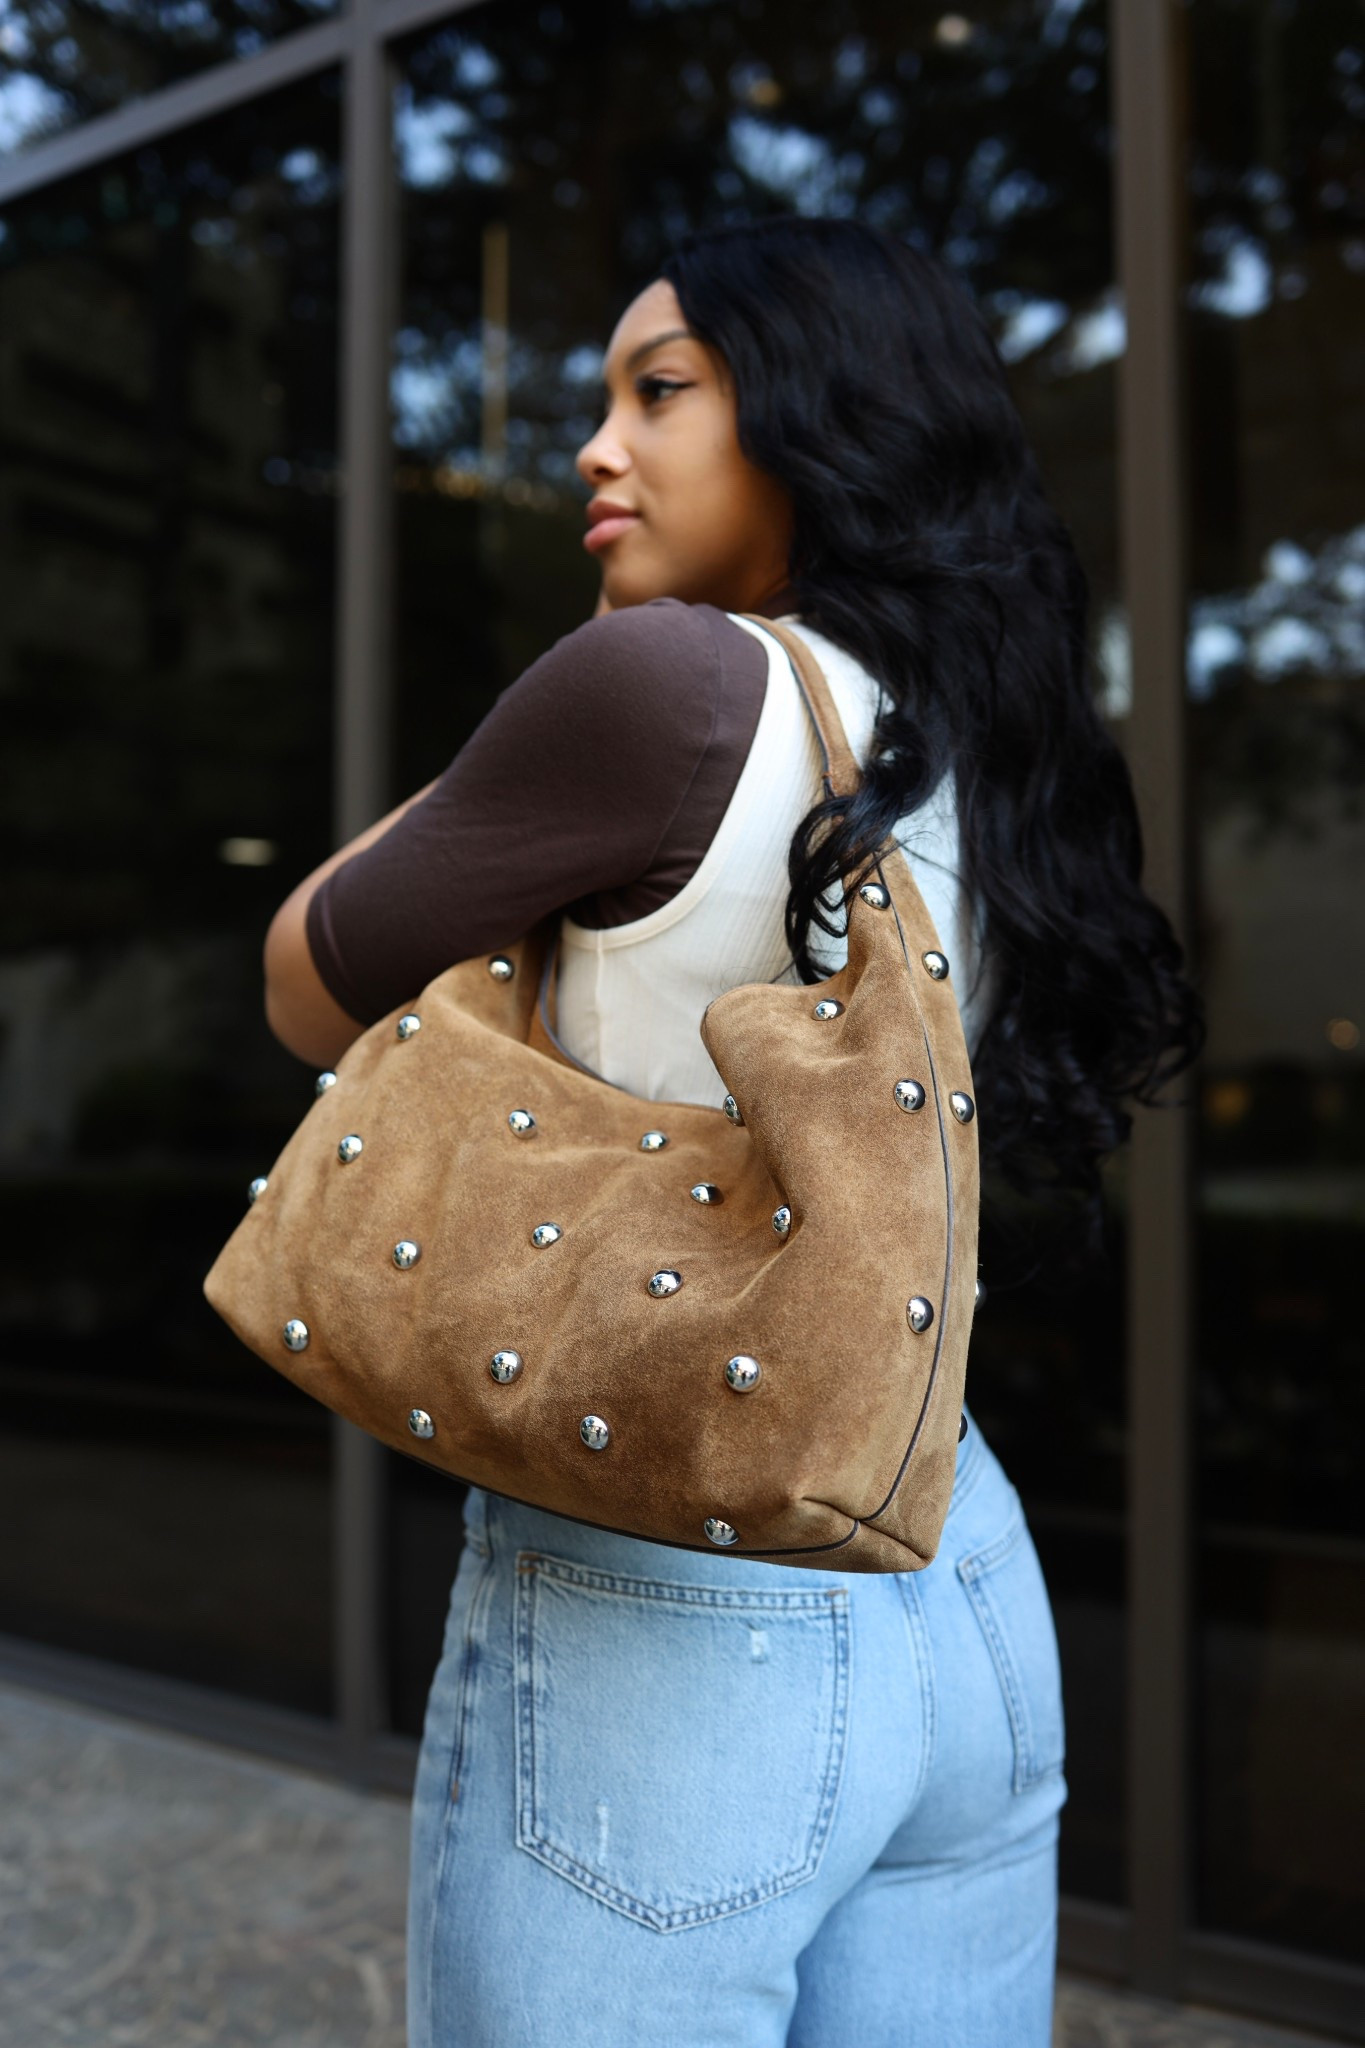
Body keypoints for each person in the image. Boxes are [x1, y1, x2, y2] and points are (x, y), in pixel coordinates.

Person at [262, 215, 1203, 2047]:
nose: (593, 448)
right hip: (953, 1557)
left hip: (671, 1609)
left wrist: (514, 751)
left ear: (816, 409)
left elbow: (306, 980)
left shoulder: (664, 684)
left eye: (659, 390)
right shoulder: (984, 736)